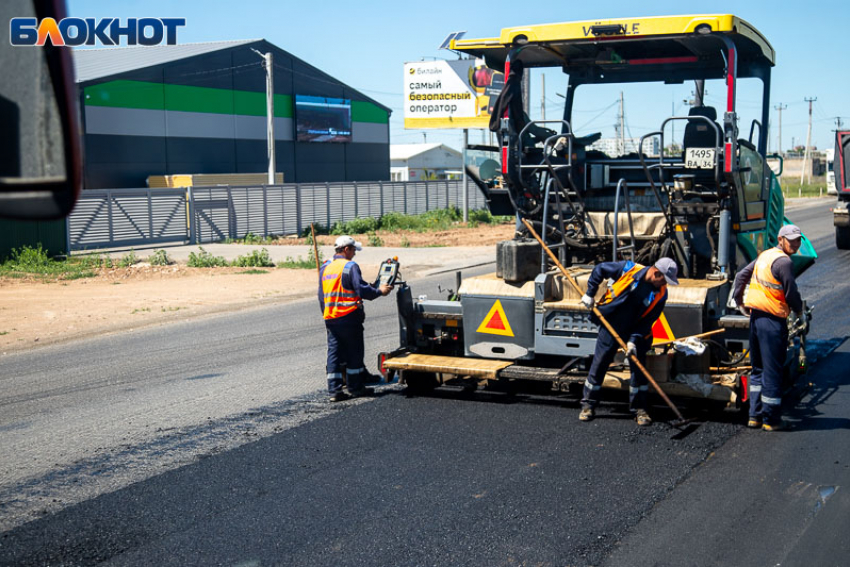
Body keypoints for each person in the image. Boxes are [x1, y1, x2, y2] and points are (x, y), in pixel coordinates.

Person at [578, 258, 679, 426]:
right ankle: (588, 405)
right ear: (656, 273)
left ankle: (640, 410)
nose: (664, 284)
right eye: (664, 280)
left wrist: (632, 341)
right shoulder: (628, 269)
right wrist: (590, 293)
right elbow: (600, 269)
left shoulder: (661, 294)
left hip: (637, 332)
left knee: (639, 370)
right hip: (611, 325)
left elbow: (648, 321)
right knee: (600, 363)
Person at [732, 224, 805, 431]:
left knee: (757, 370)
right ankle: (771, 419)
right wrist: (799, 312)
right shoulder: (784, 262)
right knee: (772, 371)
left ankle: (754, 416)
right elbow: (791, 293)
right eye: (792, 240)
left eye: (798, 240)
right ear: (781, 239)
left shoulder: (765, 256)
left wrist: (740, 302)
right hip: (772, 322)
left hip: (756, 319)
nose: (796, 244)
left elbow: (740, 277)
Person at [319, 235, 393, 402]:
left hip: (331, 318)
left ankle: (334, 391)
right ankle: (355, 387)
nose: (354, 254)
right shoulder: (350, 266)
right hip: (349, 318)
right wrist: (380, 291)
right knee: (354, 353)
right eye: (353, 250)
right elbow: (361, 289)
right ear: (346, 249)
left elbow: (321, 295)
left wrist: (327, 314)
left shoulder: (326, 267)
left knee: (334, 354)